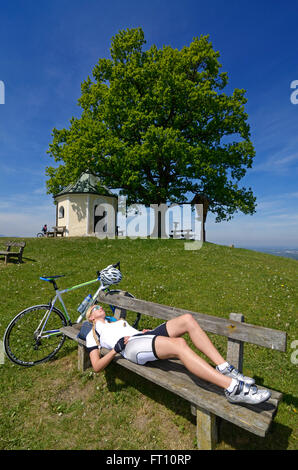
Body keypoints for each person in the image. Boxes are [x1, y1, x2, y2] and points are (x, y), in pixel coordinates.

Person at [85, 304, 271, 405]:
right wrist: (116, 350)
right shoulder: (92, 333)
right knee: (180, 345)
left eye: (99, 306)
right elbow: (96, 366)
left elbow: (132, 333)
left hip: (141, 338)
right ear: (91, 318)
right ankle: (233, 389)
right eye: (94, 308)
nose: (99, 307)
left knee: (187, 320)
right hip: (129, 348)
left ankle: (225, 368)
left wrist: (141, 332)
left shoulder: (116, 322)